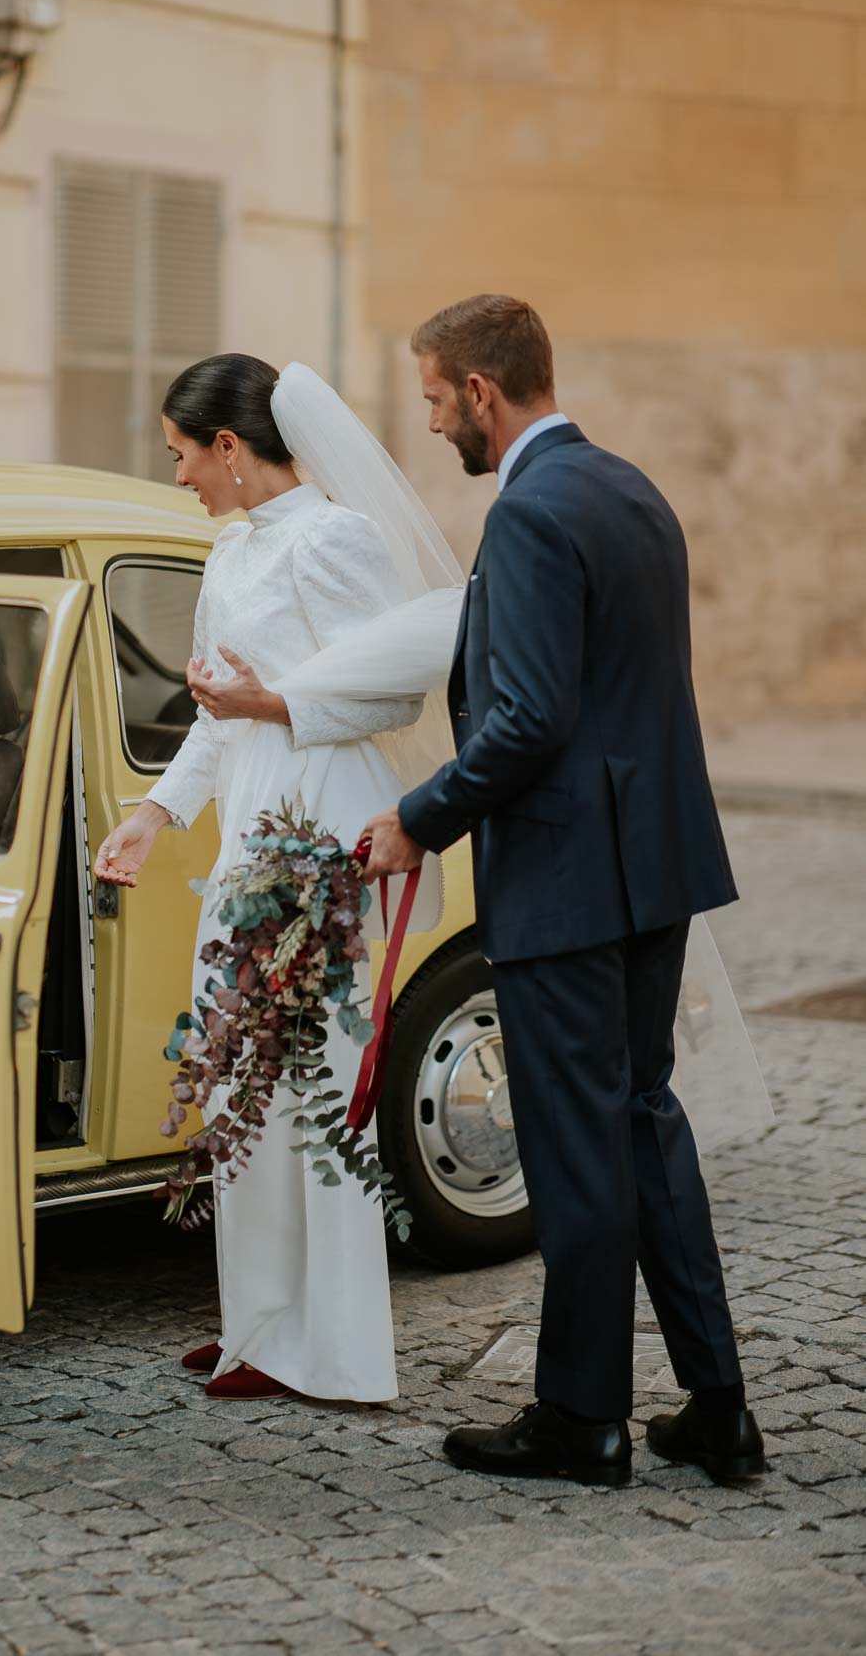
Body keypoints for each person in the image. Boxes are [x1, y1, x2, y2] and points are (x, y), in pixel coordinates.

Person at [361, 294, 765, 1487]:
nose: (434, 423)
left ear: (483, 391)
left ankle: (582, 1418)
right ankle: (719, 1404)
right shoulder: (633, 489)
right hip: (652, 870)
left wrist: (420, 820)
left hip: (569, 880)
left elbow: (531, 717)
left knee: (580, 1148)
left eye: (436, 398)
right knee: (642, 1125)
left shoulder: (531, 513)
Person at [93, 354, 463, 1404]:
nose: (176, 476)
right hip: (250, 827)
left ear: (227, 445)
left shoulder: (336, 538)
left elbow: (390, 698)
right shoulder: (230, 553)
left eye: (180, 452)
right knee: (237, 1078)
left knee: (312, 1090)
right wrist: (154, 813)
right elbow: (217, 714)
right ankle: (260, 1322)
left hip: (324, 830)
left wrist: (275, 704)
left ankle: (337, 1347)